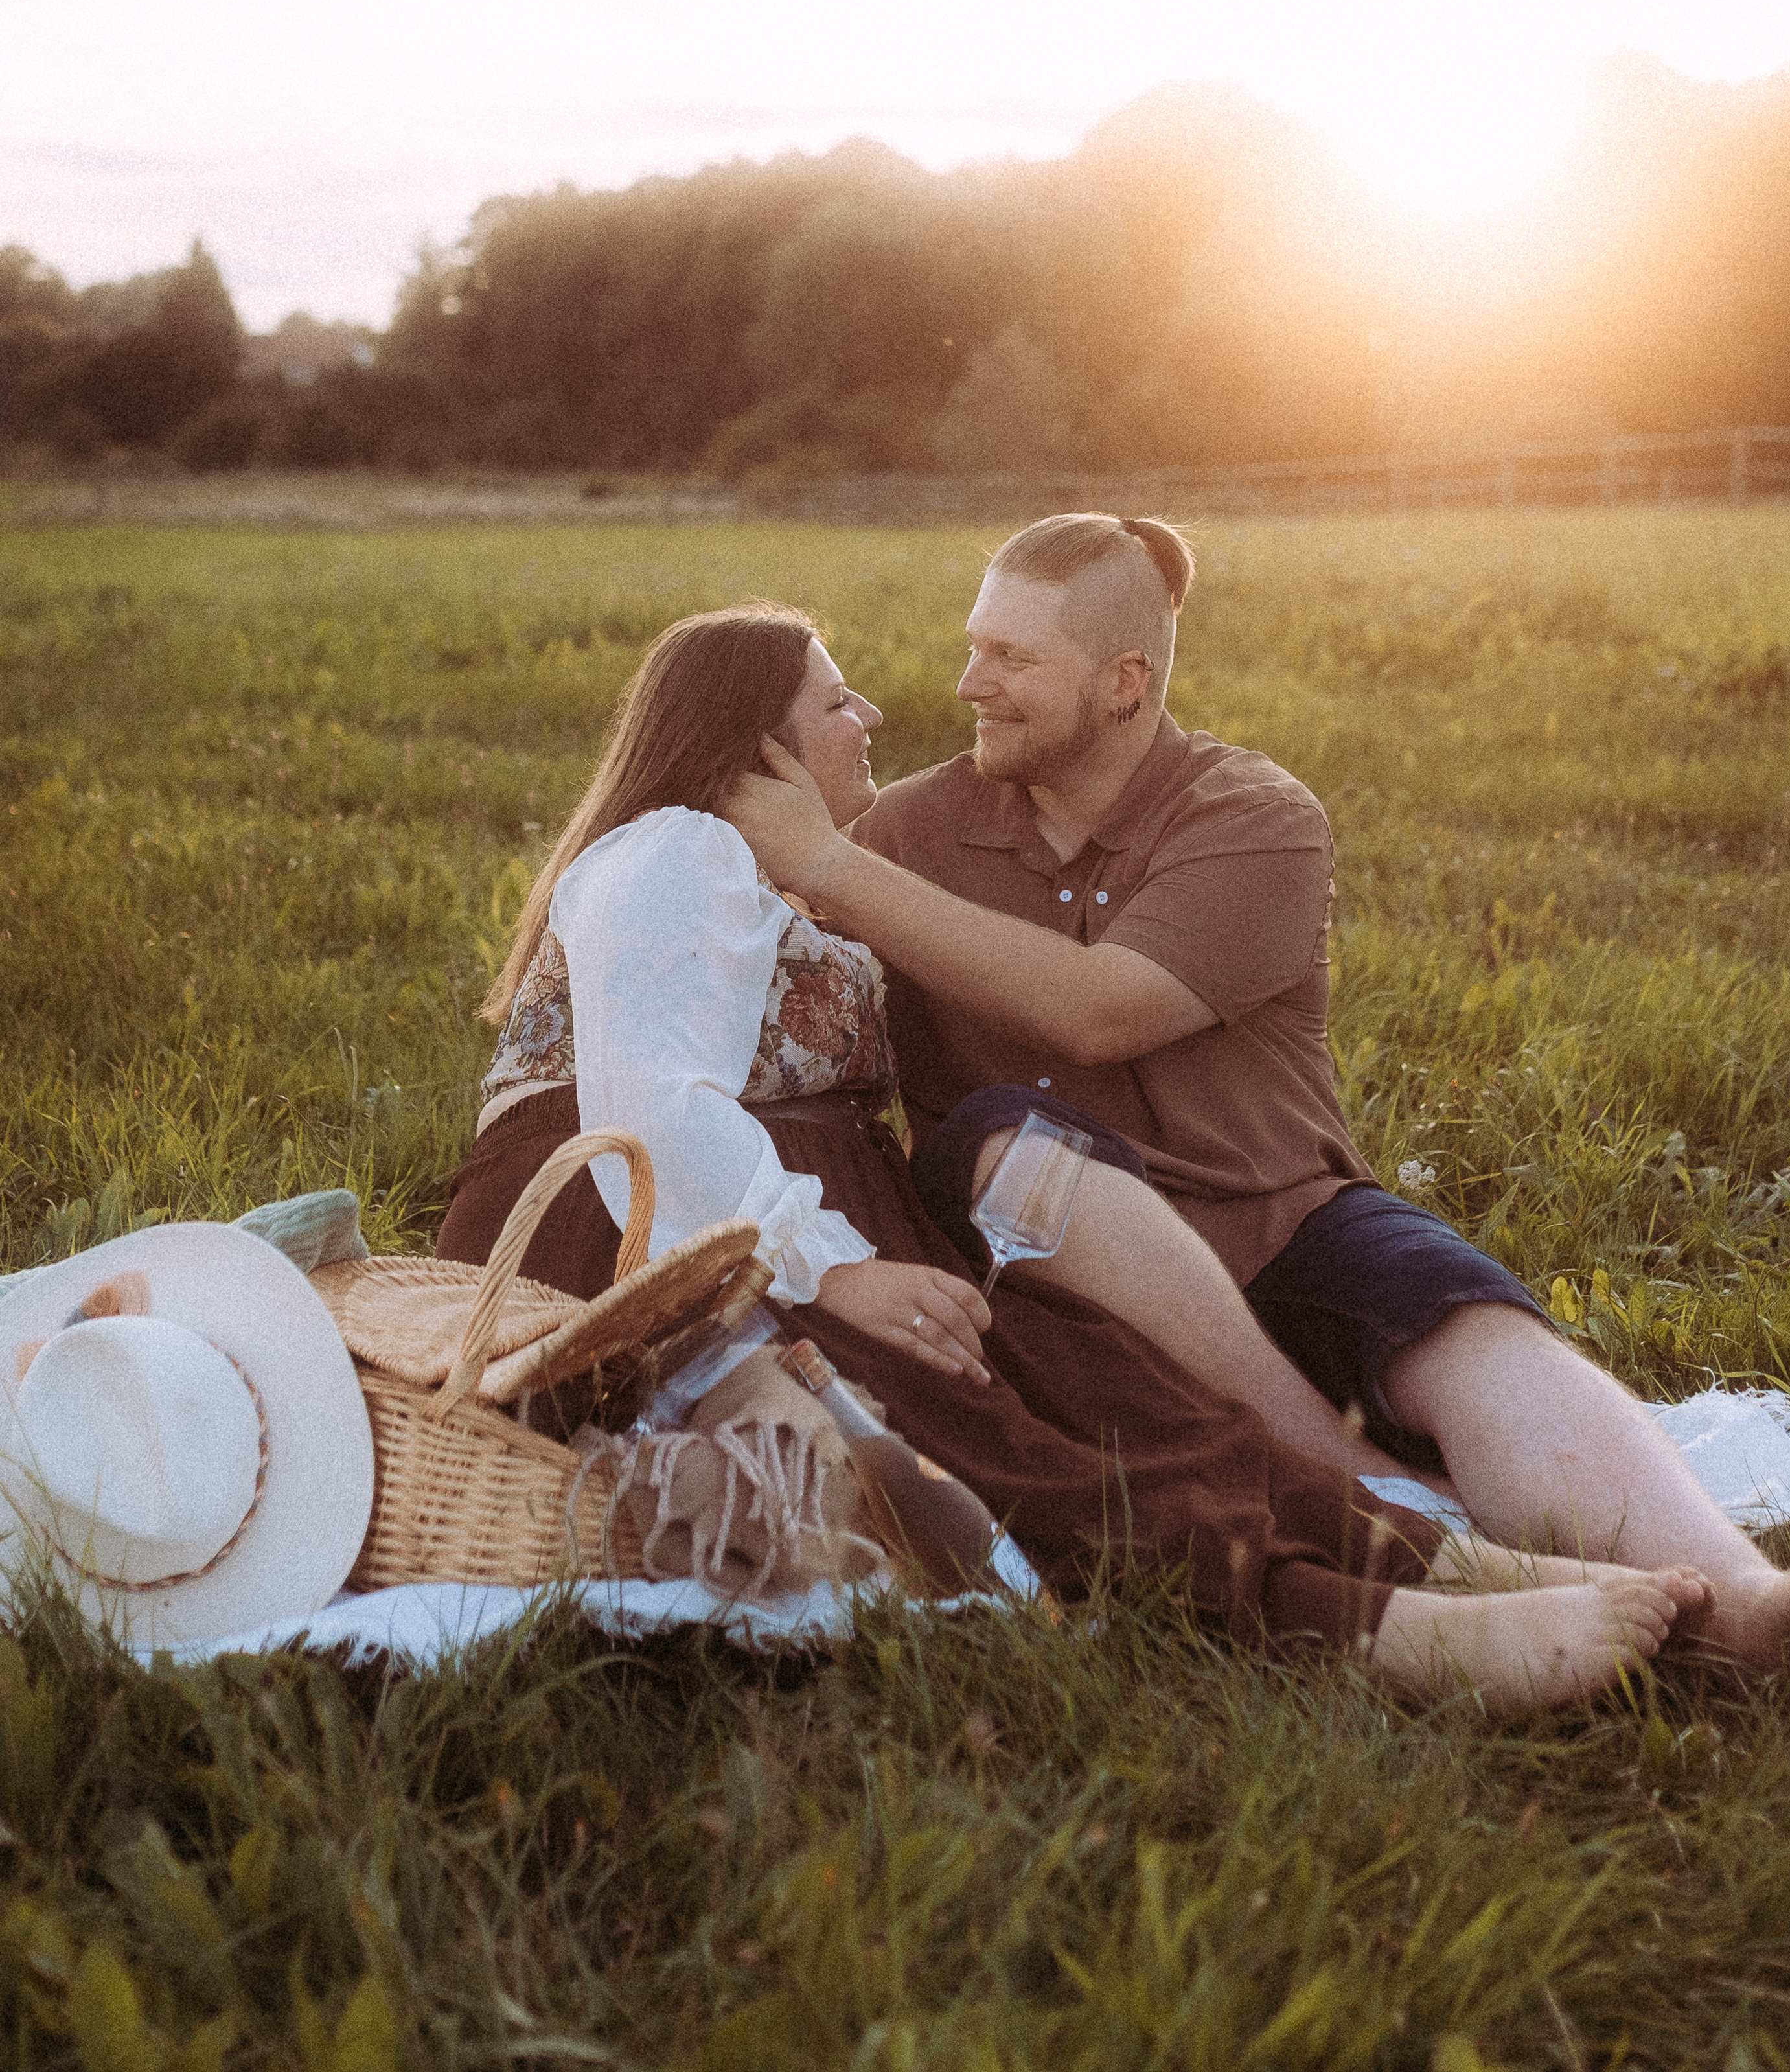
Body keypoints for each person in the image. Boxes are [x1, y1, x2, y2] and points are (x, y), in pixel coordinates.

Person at [437, 602, 1703, 1710]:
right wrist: (832, 1273)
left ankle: (1425, 1555)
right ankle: (1373, 1629)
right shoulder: (676, 846)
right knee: (982, 1430)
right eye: (833, 698)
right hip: (649, 1233)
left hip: (780, 1223)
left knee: (1099, 1375)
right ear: (751, 746)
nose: (870, 709)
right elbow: (648, 1103)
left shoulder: (782, 876)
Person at [722, 516, 1790, 1680]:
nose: (971, 683)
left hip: (1282, 1218)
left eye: (1013, 658)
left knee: (1466, 1328)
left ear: (1125, 682)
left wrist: (836, 868)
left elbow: (1100, 1009)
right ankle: (1378, 1491)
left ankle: (1759, 1616)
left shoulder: (1252, 816)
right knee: (1001, 1136)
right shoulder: (900, 825)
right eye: (976, 646)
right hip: (1045, 1273)